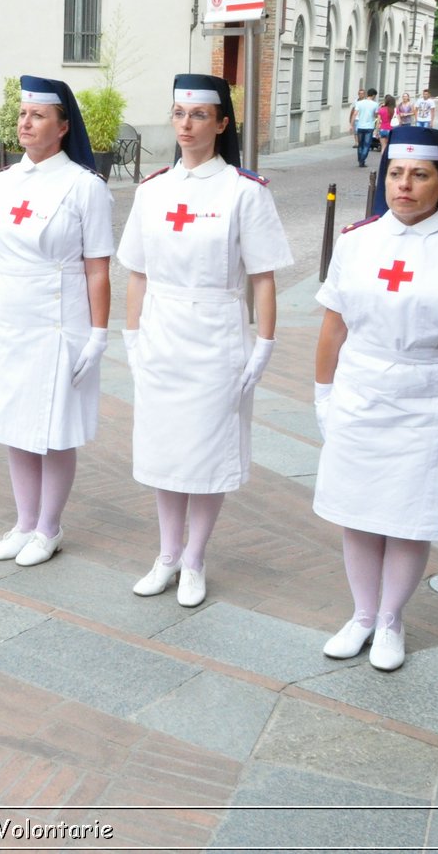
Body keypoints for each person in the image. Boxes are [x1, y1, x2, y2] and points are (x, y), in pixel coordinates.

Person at [313, 126, 438, 671]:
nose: (405, 185)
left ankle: (391, 619)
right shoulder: (356, 240)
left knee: (409, 516)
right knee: (358, 510)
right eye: (395, 173)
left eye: (419, 175)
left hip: (429, 397)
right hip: (361, 389)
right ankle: (362, 613)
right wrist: (323, 394)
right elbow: (331, 329)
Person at [118, 74, 293, 606]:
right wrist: (130, 337)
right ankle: (167, 554)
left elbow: (262, 277)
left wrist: (263, 344)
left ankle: (195, 558)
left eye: (198, 115)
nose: (186, 125)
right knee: (166, 450)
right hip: (162, 331)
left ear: (220, 123)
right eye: (178, 114)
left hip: (218, 334)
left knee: (208, 451)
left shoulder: (244, 192)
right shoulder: (152, 191)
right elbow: (137, 274)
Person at [0, 75, 113, 564]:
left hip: (59, 319)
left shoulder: (84, 187)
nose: (26, 123)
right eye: (22, 115)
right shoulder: (1, 184)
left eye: (37, 115)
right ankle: (23, 519)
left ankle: (48, 527)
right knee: (15, 421)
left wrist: (98, 333)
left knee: (53, 426)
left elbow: (97, 268)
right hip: (9, 316)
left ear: (61, 125)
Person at [351, 89, 379, 168]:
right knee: (367, 145)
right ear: (373, 95)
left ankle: (360, 159)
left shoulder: (359, 103)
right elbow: (376, 115)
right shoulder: (375, 104)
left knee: (360, 144)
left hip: (360, 126)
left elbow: (355, 114)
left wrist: (351, 124)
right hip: (369, 127)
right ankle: (362, 159)